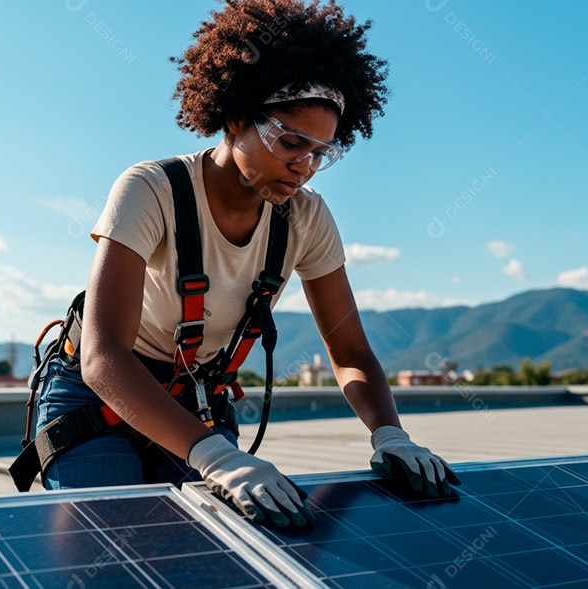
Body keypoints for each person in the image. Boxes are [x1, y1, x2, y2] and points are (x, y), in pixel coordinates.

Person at [33, 0, 459, 528]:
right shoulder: (150, 189)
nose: (304, 167)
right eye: (291, 142)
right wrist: (218, 457)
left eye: (321, 152)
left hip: (195, 398)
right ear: (237, 118)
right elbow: (103, 359)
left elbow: (350, 351)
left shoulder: (307, 219)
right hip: (98, 394)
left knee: (218, 546)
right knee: (111, 538)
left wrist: (389, 433)